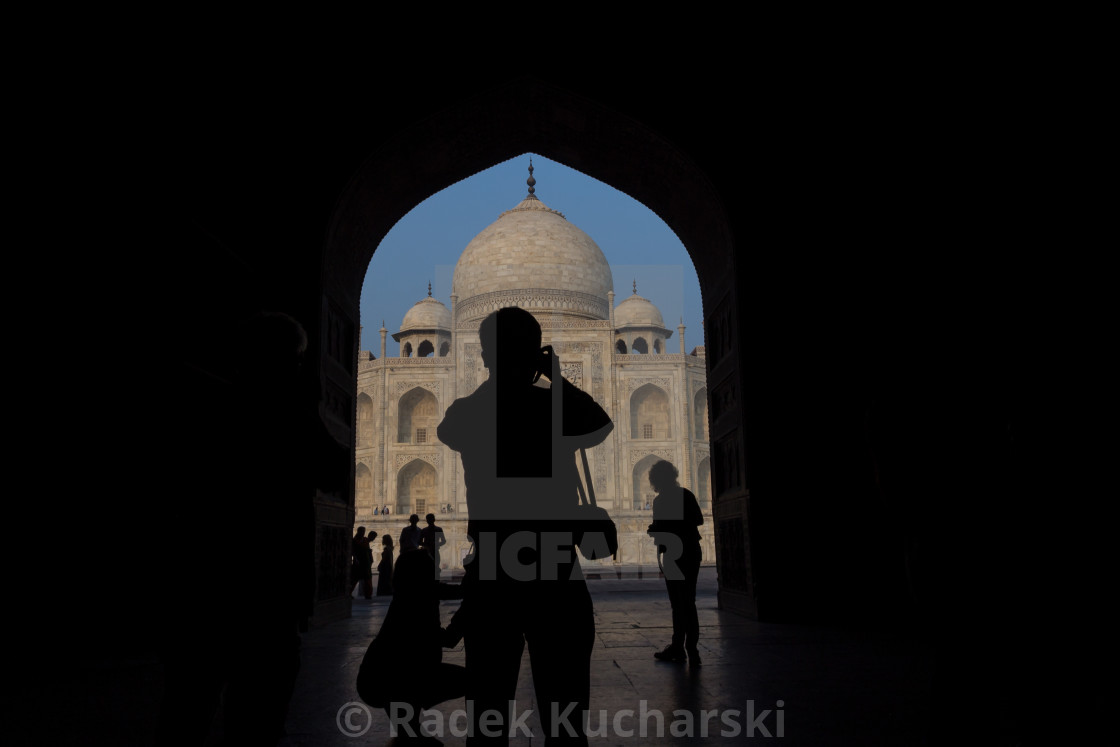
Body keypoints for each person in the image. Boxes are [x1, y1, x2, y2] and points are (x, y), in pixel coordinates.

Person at [438, 307, 613, 744]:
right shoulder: (554, 410)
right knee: (565, 714)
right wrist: (554, 377)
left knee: (488, 715)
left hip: (495, 571)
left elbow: (449, 430)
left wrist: (505, 372)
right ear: (537, 354)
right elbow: (598, 425)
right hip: (555, 569)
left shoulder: (467, 411)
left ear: (483, 356)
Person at [356, 549, 466, 742]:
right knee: (470, 681)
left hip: (379, 677)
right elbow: (449, 638)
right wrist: (467, 613)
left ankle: (410, 734)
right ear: (422, 574)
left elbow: (455, 591)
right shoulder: (418, 598)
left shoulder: (408, 594)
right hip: (390, 678)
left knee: (409, 725)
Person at [646, 460, 704, 666]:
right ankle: (687, 648)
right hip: (687, 551)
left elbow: (665, 527)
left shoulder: (662, 500)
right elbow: (699, 520)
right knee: (687, 601)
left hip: (676, 553)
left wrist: (664, 527)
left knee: (680, 603)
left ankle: (682, 647)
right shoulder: (684, 495)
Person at [350, 527, 375, 599]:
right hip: (359, 562)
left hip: (365, 562)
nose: (363, 533)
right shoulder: (355, 541)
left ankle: (368, 594)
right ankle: (349, 593)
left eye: (364, 531)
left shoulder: (364, 540)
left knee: (367, 579)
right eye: (362, 531)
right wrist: (355, 559)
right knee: (354, 579)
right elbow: (353, 551)